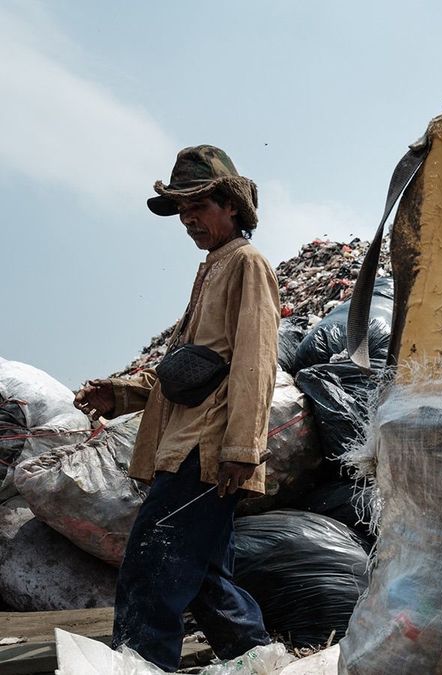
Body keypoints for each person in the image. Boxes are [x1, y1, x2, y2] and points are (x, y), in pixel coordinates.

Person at [73, 145, 279, 671]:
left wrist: (242, 449)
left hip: (207, 451)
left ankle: (139, 665)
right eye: (182, 212)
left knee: (152, 561)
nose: (189, 221)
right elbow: (189, 369)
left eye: (199, 208)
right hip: (188, 442)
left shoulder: (246, 264)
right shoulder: (213, 267)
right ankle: (259, 661)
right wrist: (119, 395)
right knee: (204, 573)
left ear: (231, 205)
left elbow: (255, 363)